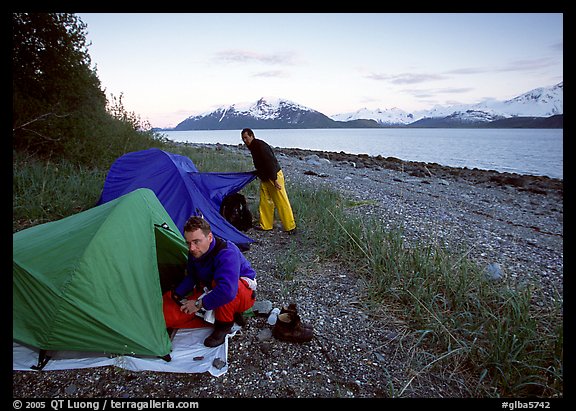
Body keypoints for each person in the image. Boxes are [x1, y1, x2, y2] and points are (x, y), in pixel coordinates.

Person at [163, 216, 257, 347]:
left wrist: (197, 304)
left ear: (210, 237)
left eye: (196, 241)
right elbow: (192, 276)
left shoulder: (227, 253)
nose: (192, 248)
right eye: (188, 242)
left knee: (220, 285)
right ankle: (226, 314)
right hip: (210, 289)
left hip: (242, 293)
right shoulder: (195, 252)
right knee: (170, 316)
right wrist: (178, 293)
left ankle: (224, 325)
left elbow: (227, 291)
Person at [241, 128, 296, 233]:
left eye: (246, 138)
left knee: (281, 201)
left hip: (274, 176)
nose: (245, 141)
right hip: (266, 178)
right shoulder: (253, 147)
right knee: (265, 201)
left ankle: (291, 227)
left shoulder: (260, 146)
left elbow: (270, 162)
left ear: (252, 136)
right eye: (243, 139)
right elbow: (261, 164)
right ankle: (266, 225)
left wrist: (275, 179)